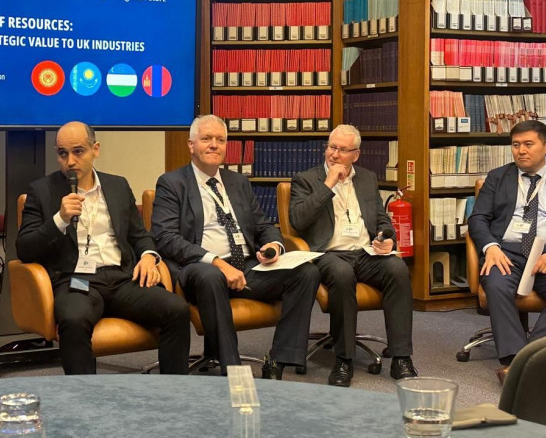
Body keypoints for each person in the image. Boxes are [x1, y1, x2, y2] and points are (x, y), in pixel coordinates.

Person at [151, 114, 320, 378]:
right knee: (210, 276)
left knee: (306, 273)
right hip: (200, 267)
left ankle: (280, 360)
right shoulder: (172, 183)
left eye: (220, 140)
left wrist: (274, 245)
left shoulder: (238, 182)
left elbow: (263, 225)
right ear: (191, 145)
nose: (214, 145)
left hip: (246, 266)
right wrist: (217, 263)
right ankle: (231, 368)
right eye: (206, 139)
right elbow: (166, 237)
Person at [17, 121, 190, 375]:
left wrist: (148, 257)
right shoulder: (41, 191)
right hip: (77, 281)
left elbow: (139, 236)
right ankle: (87, 397)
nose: (70, 161)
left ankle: (175, 391)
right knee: (73, 320)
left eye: (78, 151)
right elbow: (25, 249)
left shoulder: (118, 186)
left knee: (176, 309)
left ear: (95, 149)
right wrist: (59, 219)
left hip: (122, 279)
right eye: (63, 153)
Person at [289, 124, 417, 387]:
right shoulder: (305, 179)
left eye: (342, 150)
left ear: (355, 155)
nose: (334, 154)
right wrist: (328, 184)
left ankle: (401, 357)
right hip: (329, 253)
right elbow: (299, 220)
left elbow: (381, 218)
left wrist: (387, 237)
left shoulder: (367, 178)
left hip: (365, 252)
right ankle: (344, 359)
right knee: (342, 273)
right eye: (331, 147)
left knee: (397, 268)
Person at [467, 119, 546, 382]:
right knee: (497, 286)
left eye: (528, 144)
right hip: (506, 251)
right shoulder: (497, 178)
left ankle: (530, 359)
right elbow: (477, 219)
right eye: (516, 145)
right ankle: (517, 361)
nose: (521, 150)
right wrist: (491, 247)